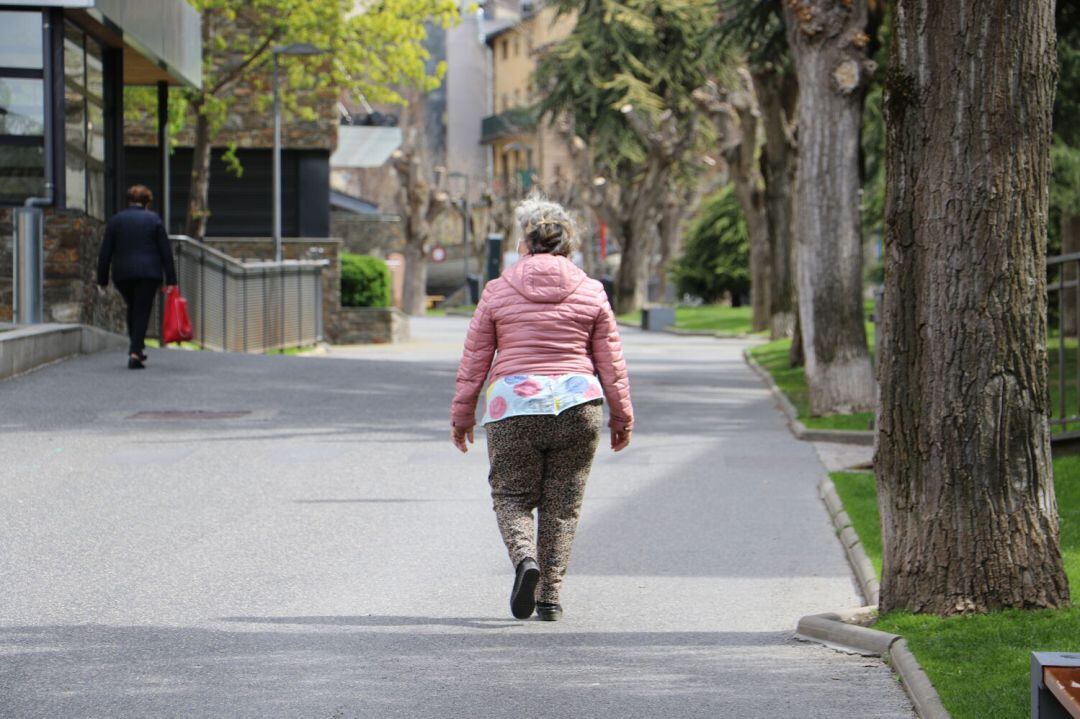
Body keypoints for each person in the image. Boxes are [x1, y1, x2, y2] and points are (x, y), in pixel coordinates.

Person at [451, 195, 634, 622]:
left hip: (513, 404)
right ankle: (549, 597)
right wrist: (622, 416)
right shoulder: (591, 291)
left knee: (512, 496)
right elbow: (611, 360)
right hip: (578, 403)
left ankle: (524, 560)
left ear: (524, 243)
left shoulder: (498, 290)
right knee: (563, 506)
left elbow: (475, 358)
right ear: (568, 244)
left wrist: (462, 415)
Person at [96, 185, 178, 369]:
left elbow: (105, 252)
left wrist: (102, 279)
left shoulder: (116, 221)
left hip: (123, 274)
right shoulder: (154, 220)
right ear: (147, 202)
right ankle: (135, 352)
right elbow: (166, 252)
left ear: (129, 201)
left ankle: (137, 348)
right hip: (149, 273)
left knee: (133, 307)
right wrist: (171, 279)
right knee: (141, 309)